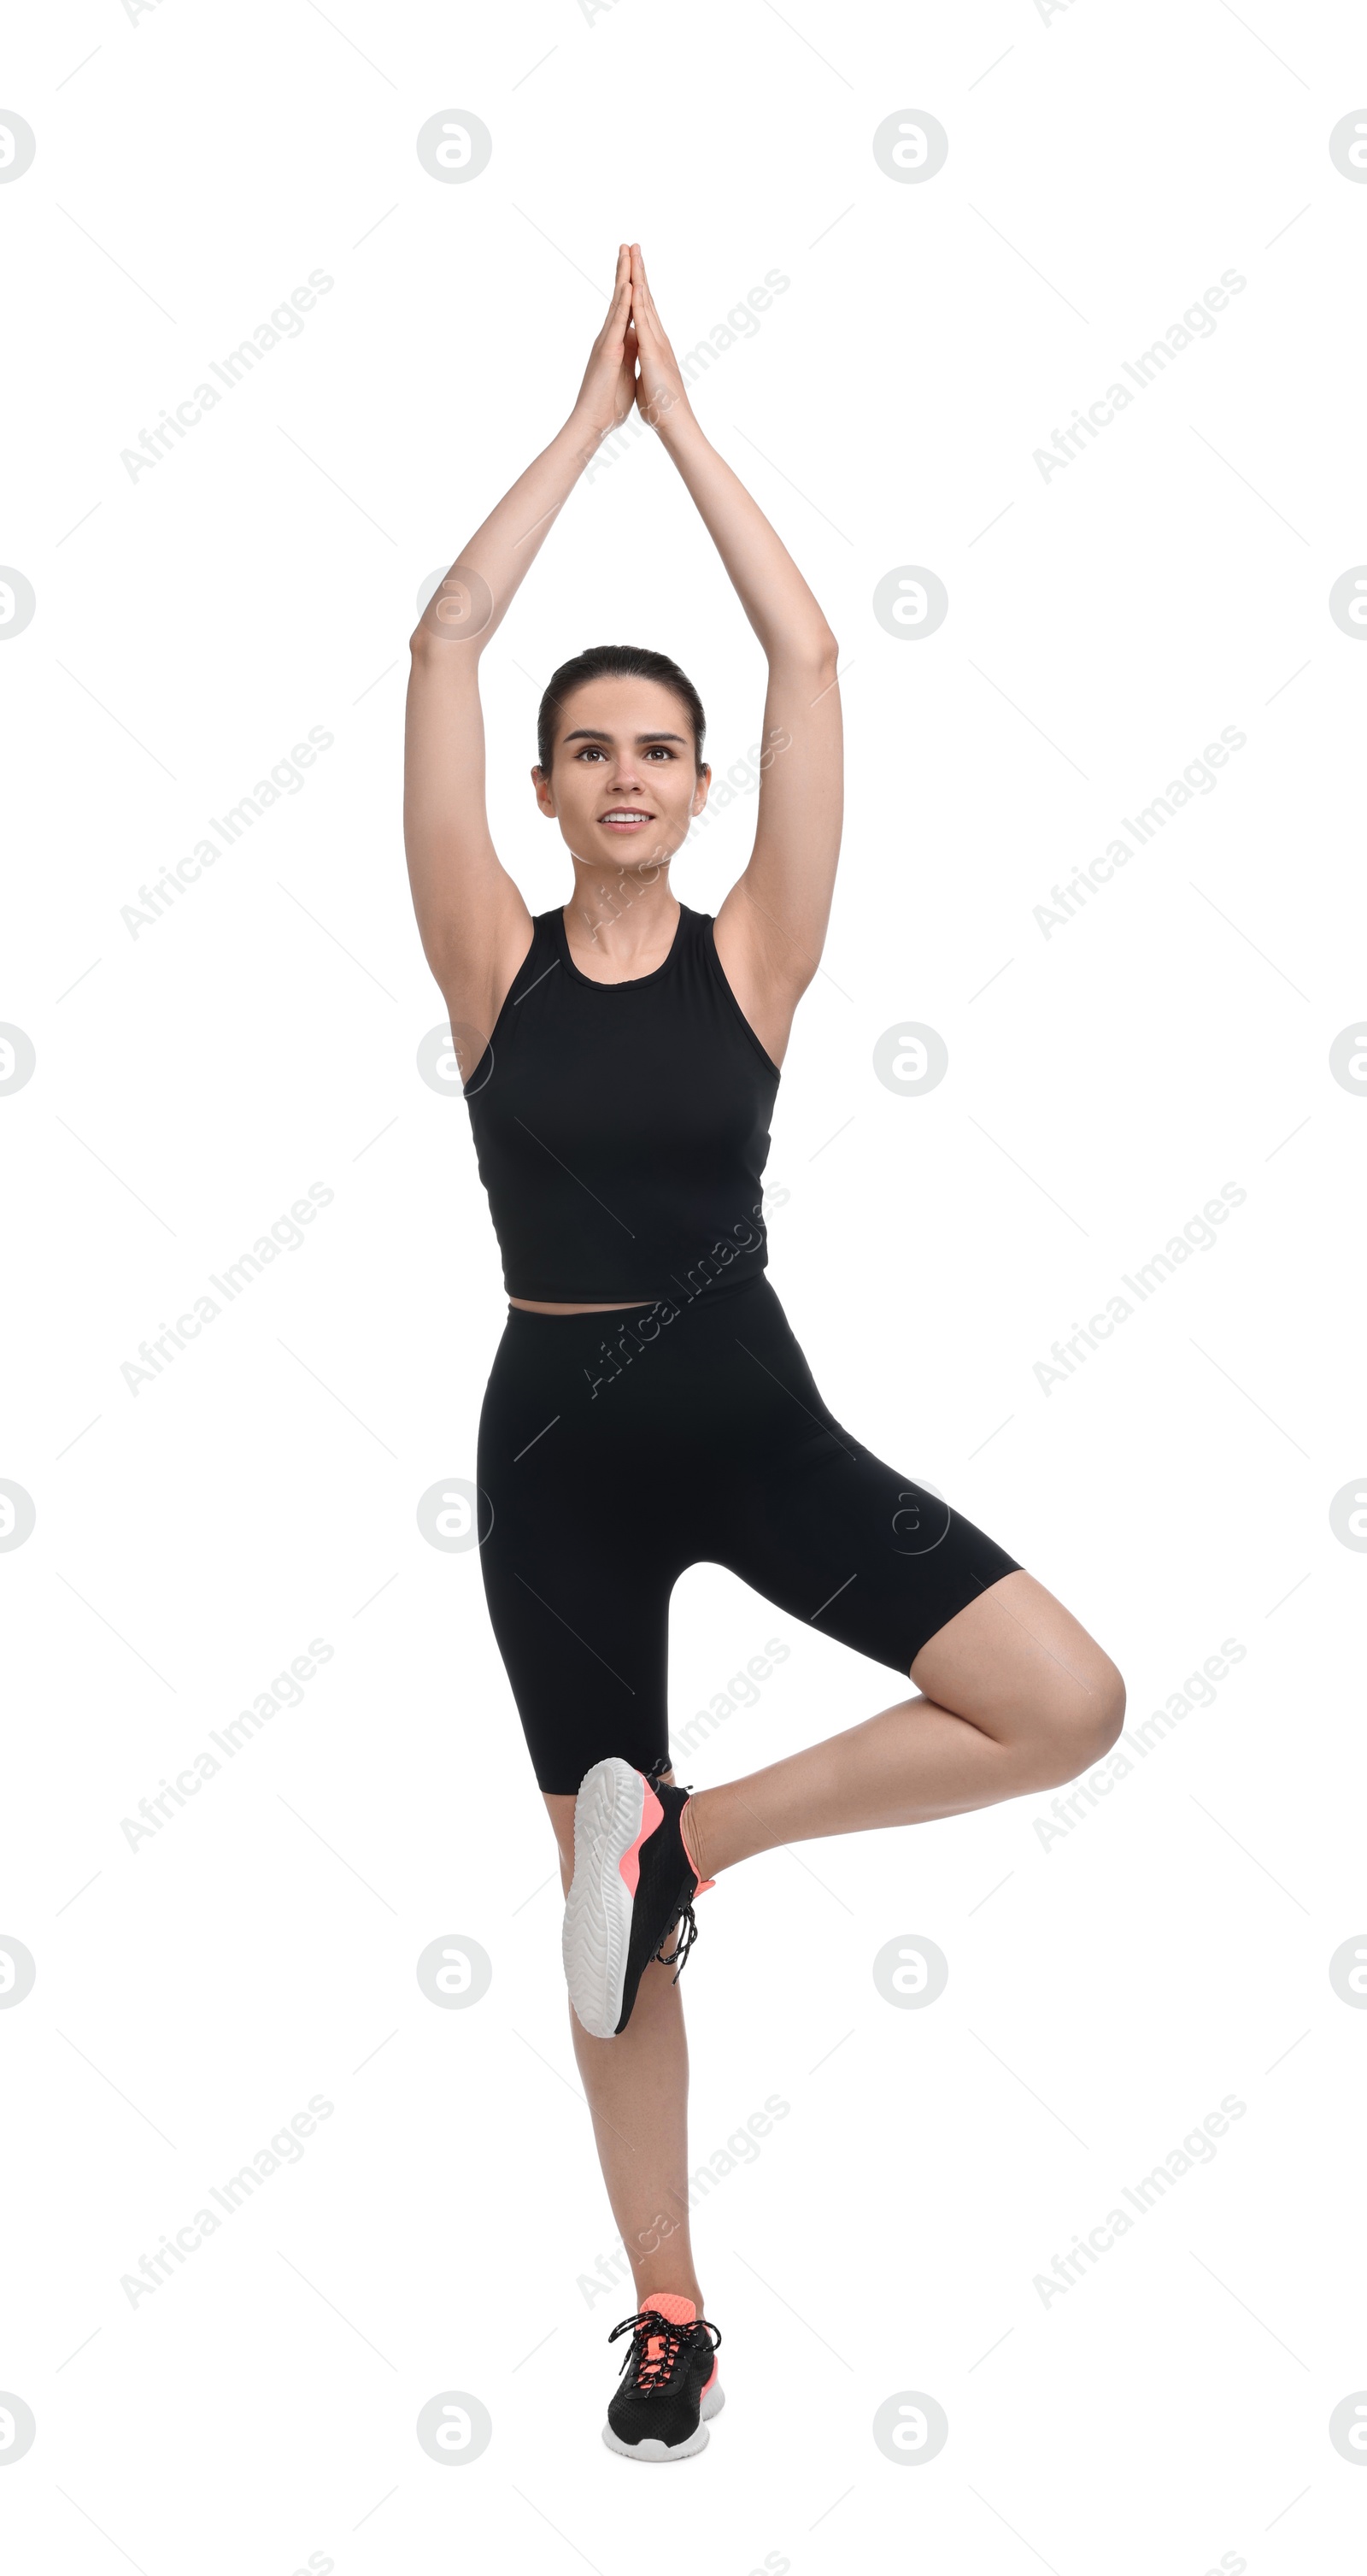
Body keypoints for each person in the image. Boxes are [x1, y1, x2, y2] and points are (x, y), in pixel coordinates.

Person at [403, 243, 1125, 2462]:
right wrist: (571, 429)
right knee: (587, 1922)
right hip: (558, 1451)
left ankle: (699, 1838)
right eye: (592, 749)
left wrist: (682, 430)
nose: (628, 773)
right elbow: (442, 637)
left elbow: (812, 653)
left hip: (750, 1413)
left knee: (1060, 1700)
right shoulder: (488, 956)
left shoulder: (759, 953)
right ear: (543, 789)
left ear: (702, 784)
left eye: (661, 748)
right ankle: (667, 2309)